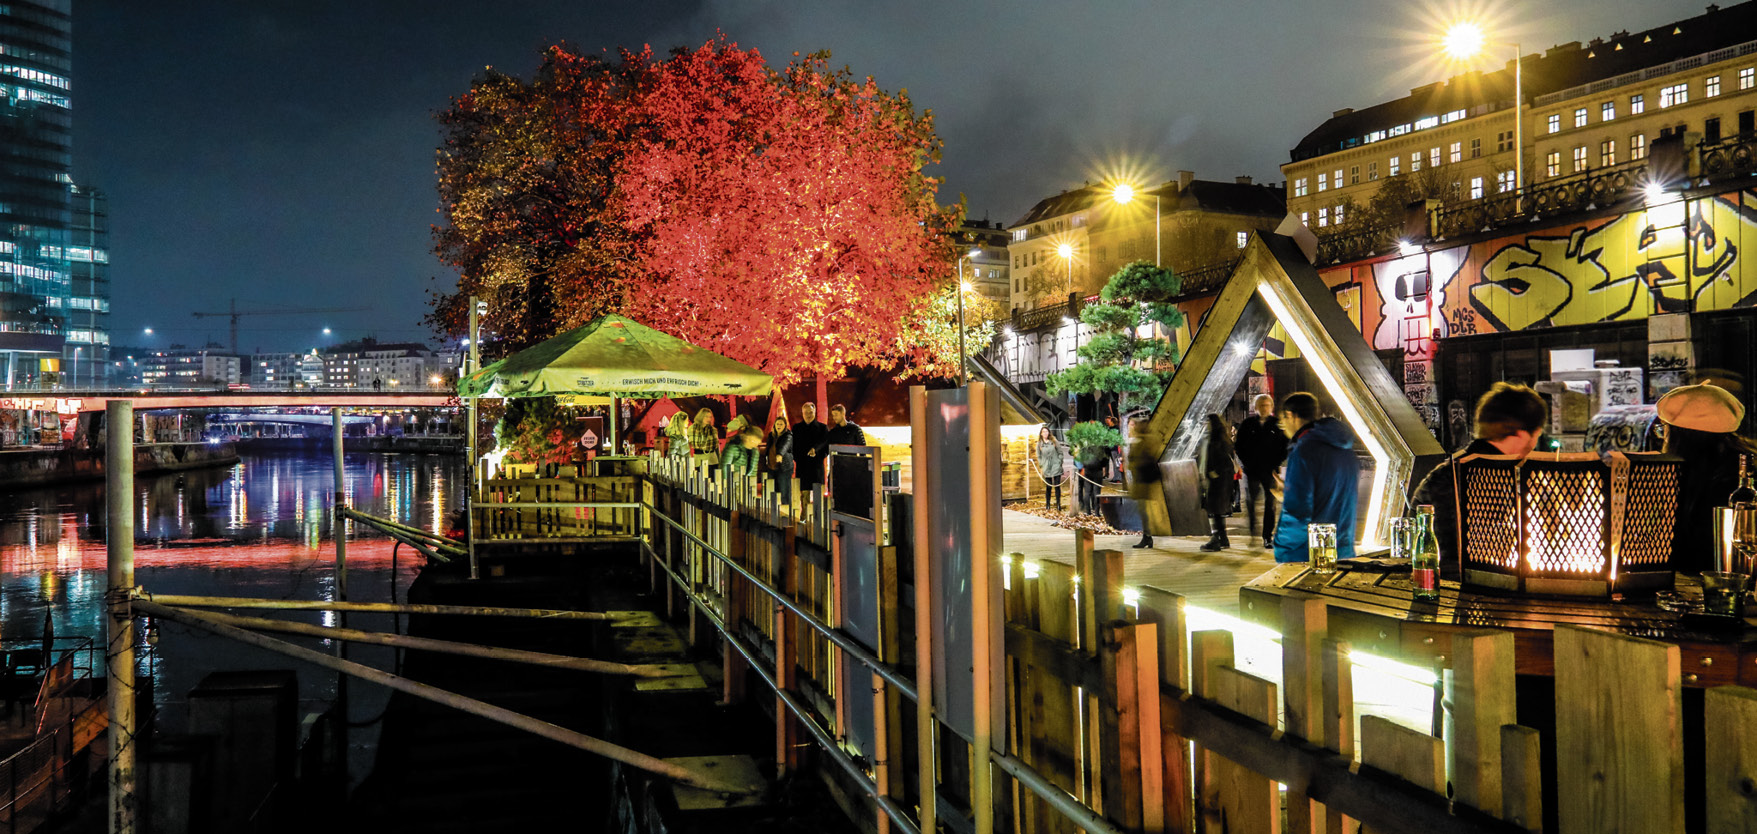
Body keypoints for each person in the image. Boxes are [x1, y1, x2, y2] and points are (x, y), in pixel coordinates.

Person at [1411, 382, 1547, 570]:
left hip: (1429, 575)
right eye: (1536, 435)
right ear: (1522, 436)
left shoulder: (1447, 472)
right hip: (1470, 581)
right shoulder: (1497, 480)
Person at [1656, 382, 1756, 573]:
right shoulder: (1744, 466)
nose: (1663, 438)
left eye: (1663, 430)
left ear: (1680, 437)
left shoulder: (1696, 481)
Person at [1272, 392, 1360, 563]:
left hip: (1309, 554)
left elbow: (1298, 512)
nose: (1283, 427)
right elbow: (1332, 498)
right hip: (1342, 550)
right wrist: (1289, 493)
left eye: (1282, 420)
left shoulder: (1304, 452)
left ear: (1291, 415)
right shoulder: (1346, 451)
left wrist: (1282, 547)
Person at [1235, 394, 1289, 548]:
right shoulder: (1247, 424)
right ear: (1256, 407)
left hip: (1270, 471)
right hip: (1252, 470)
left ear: (1271, 407)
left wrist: (1276, 463)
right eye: (1261, 405)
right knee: (1251, 501)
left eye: (1267, 405)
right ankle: (1253, 532)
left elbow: (1285, 446)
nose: (1264, 408)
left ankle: (1267, 536)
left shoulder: (1277, 424)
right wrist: (1246, 464)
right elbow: (1239, 446)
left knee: (1270, 503)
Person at [1198, 413, 1237, 552]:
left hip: (1218, 482)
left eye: (1207, 422)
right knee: (1217, 511)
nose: (1205, 425)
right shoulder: (1222, 439)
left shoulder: (1216, 441)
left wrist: (1213, 473)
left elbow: (1224, 462)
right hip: (1222, 482)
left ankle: (1216, 539)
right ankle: (1223, 538)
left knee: (1215, 510)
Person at [1127, 418, 1163, 548]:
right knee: (1143, 509)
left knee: (1143, 509)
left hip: (1143, 479)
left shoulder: (1145, 440)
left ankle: (1147, 537)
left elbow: (1138, 459)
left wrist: (1133, 462)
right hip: (1142, 479)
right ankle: (1147, 536)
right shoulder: (1145, 439)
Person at [792, 403, 830, 491]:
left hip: (817, 467)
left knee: (818, 493)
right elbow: (792, 446)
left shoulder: (823, 428)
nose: (808, 415)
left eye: (811, 412)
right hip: (802, 466)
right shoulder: (796, 428)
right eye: (806, 412)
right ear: (802, 413)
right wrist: (798, 458)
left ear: (815, 412)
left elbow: (826, 445)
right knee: (803, 493)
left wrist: (818, 455)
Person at [1074, 435, 1110, 516]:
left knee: (1087, 492)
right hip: (1097, 470)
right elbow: (1105, 460)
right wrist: (1103, 467)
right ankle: (1096, 512)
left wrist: (1084, 466)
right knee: (1096, 492)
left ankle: (1088, 511)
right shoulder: (1101, 448)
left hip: (1087, 470)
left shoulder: (1085, 447)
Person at [1037, 426, 1066, 511]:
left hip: (1055, 465)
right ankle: (1048, 504)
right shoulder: (1039, 444)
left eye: (1046, 431)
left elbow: (1060, 452)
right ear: (1041, 434)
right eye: (1043, 432)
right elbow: (1039, 455)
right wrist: (1041, 464)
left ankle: (1058, 504)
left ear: (1049, 432)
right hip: (1046, 466)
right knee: (1048, 486)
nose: (1045, 433)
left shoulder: (1054, 441)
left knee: (1057, 486)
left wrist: (1059, 461)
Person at [766, 416, 794, 503]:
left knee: (784, 492)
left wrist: (780, 454)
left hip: (784, 467)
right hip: (771, 467)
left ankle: (786, 509)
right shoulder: (771, 435)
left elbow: (785, 445)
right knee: (773, 491)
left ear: (785, 425)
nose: (779, 426)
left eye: (781, 424)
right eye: (777, 424)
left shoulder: (788, 435)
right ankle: (774, 509)